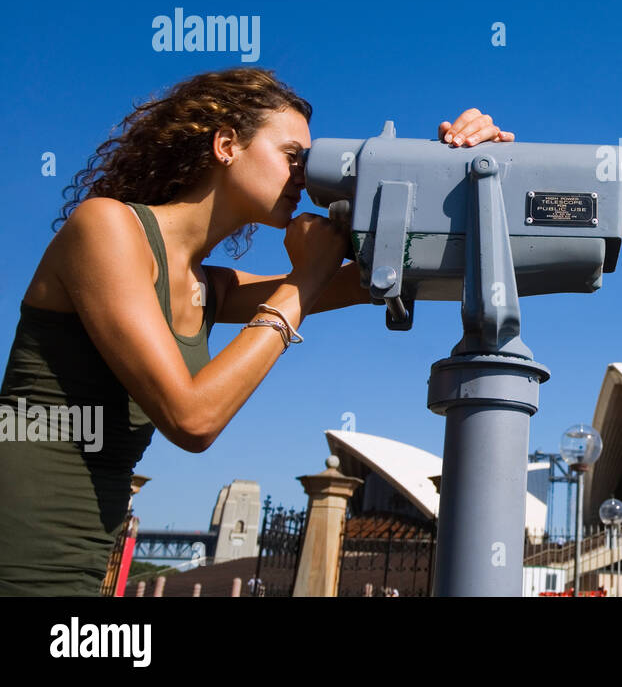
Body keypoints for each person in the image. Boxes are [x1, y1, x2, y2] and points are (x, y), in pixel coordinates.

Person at [0, 67, 513, 595]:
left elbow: (389, 275)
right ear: (226, 144)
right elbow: (192, 417)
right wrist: (306, 276)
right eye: (293, 156)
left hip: (80, 571)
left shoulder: (209, 286)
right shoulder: (105, 227)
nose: (304, 175)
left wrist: (467, 174)